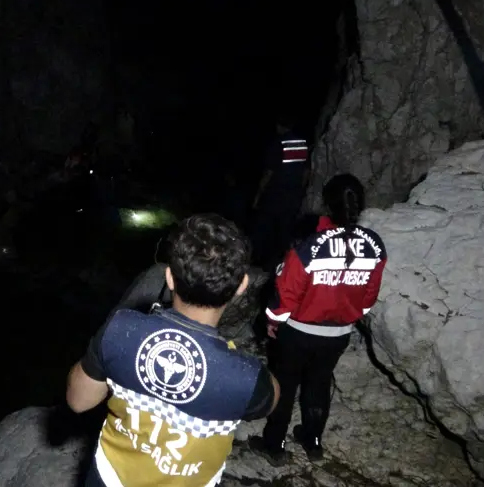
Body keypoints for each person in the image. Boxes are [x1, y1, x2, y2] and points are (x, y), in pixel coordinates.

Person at [65, 214, 280, 487]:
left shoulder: (120, 330)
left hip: (108, 479)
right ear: (241, 286)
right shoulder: (246, 379)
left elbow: (79, 401)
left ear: (169, 277)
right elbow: (271, 398)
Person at [253, 174, 387, 466]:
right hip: (338, 335)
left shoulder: (309, 245)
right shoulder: (374, 246)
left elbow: (285, 293)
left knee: (285, 385)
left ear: (327, 204)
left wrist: (273, 321)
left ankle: (274, 445)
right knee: (319, 383)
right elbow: (369, 297)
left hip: (298, 332)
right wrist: (347, 313)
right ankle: (313, 441)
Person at [249, 118, 312, 271]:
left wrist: (258, 196)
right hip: (293, 195)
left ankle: (255, 263)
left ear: (279, 125)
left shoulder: (278, 143)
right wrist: (300, 190)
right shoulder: (303, 144)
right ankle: (281, 265)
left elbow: (269, 173)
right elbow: (306, 171)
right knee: (284, 233)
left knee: (262, 230)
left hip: (275, 194)